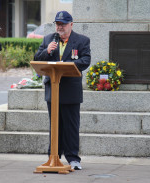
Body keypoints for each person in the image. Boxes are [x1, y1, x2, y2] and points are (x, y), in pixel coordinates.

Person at [34, 11, 91, 170]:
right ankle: (54, 157)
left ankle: (73, 159)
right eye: (58, 24)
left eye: (63, 24)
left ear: (71, 25)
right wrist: (48, 51)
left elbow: (85, 60)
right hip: (53, 89)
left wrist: (68, 66)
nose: (60, 27)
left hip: (70, 90)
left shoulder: (81, 40)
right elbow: (37, 58)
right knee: (55, 125)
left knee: (71, 126)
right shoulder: (48, 40)